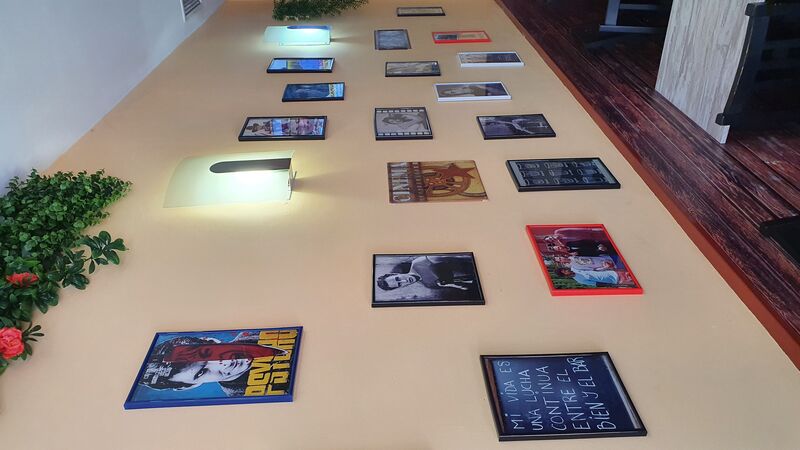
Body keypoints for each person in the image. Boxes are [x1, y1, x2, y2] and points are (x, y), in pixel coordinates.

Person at [138, 332, 286, 396]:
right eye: (201, 372)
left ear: (211, 341)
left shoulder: (253, 334)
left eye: (207, 353)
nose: (222, 363)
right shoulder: (241, 394)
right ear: (189, 386)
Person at [376, 255, 475, 291]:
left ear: (395, 274)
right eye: (399, 284)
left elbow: (461, 257)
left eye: (398, 279)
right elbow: (464, 285)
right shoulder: (428, 285)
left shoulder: (420, 262)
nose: (404, 281)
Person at [555, 267, 635, 288]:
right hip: (617, 280)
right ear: (565, 275)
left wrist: (606, 268)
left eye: (564, 269)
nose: (566, 270)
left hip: (615, 272)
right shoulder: (579, 280)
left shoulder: (576, 268)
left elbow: (593, 269)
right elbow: (597, 284)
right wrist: (617, 285)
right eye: (564, 271)